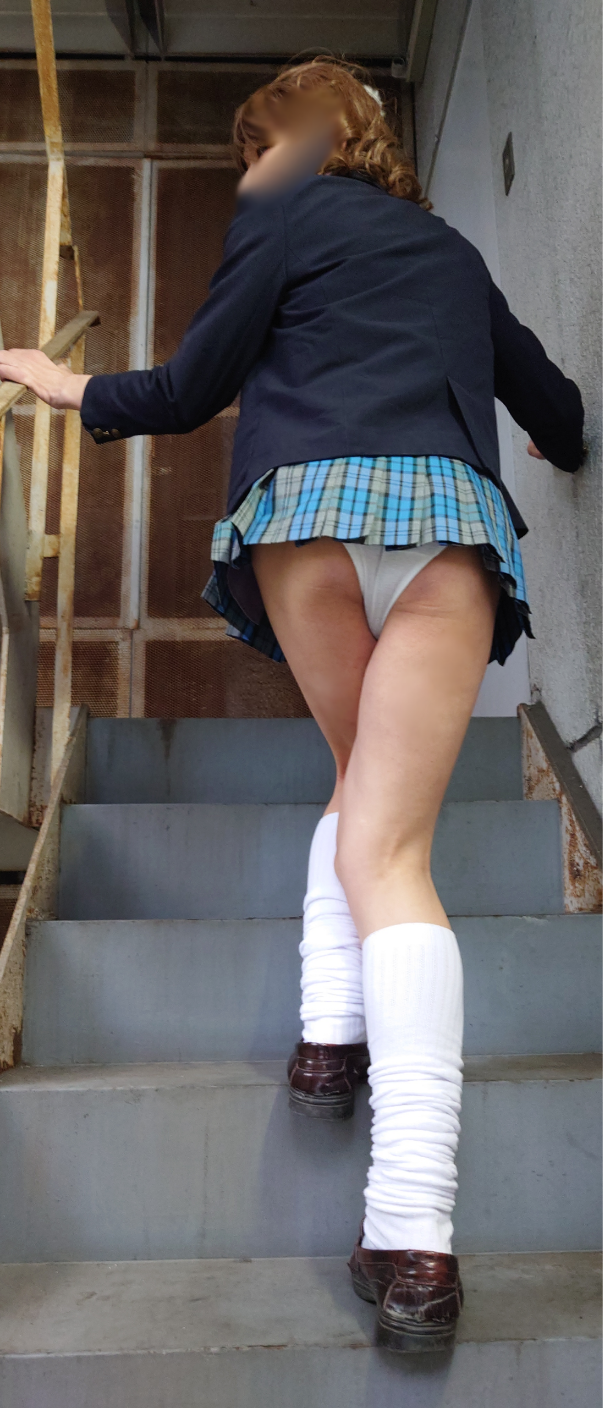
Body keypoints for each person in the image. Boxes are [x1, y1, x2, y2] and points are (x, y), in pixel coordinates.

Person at [0, 57, 585, 1354]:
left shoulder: (278, 214)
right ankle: (380, 1163)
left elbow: (191, 385)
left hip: (311, 512)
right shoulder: (449, 252)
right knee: (391, 837)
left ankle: (382, 1156)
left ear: (294, 145)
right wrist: (563, 441)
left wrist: (63, 382)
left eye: (255, 148)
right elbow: (547, 396)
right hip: (443, 524)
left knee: (369, 809)